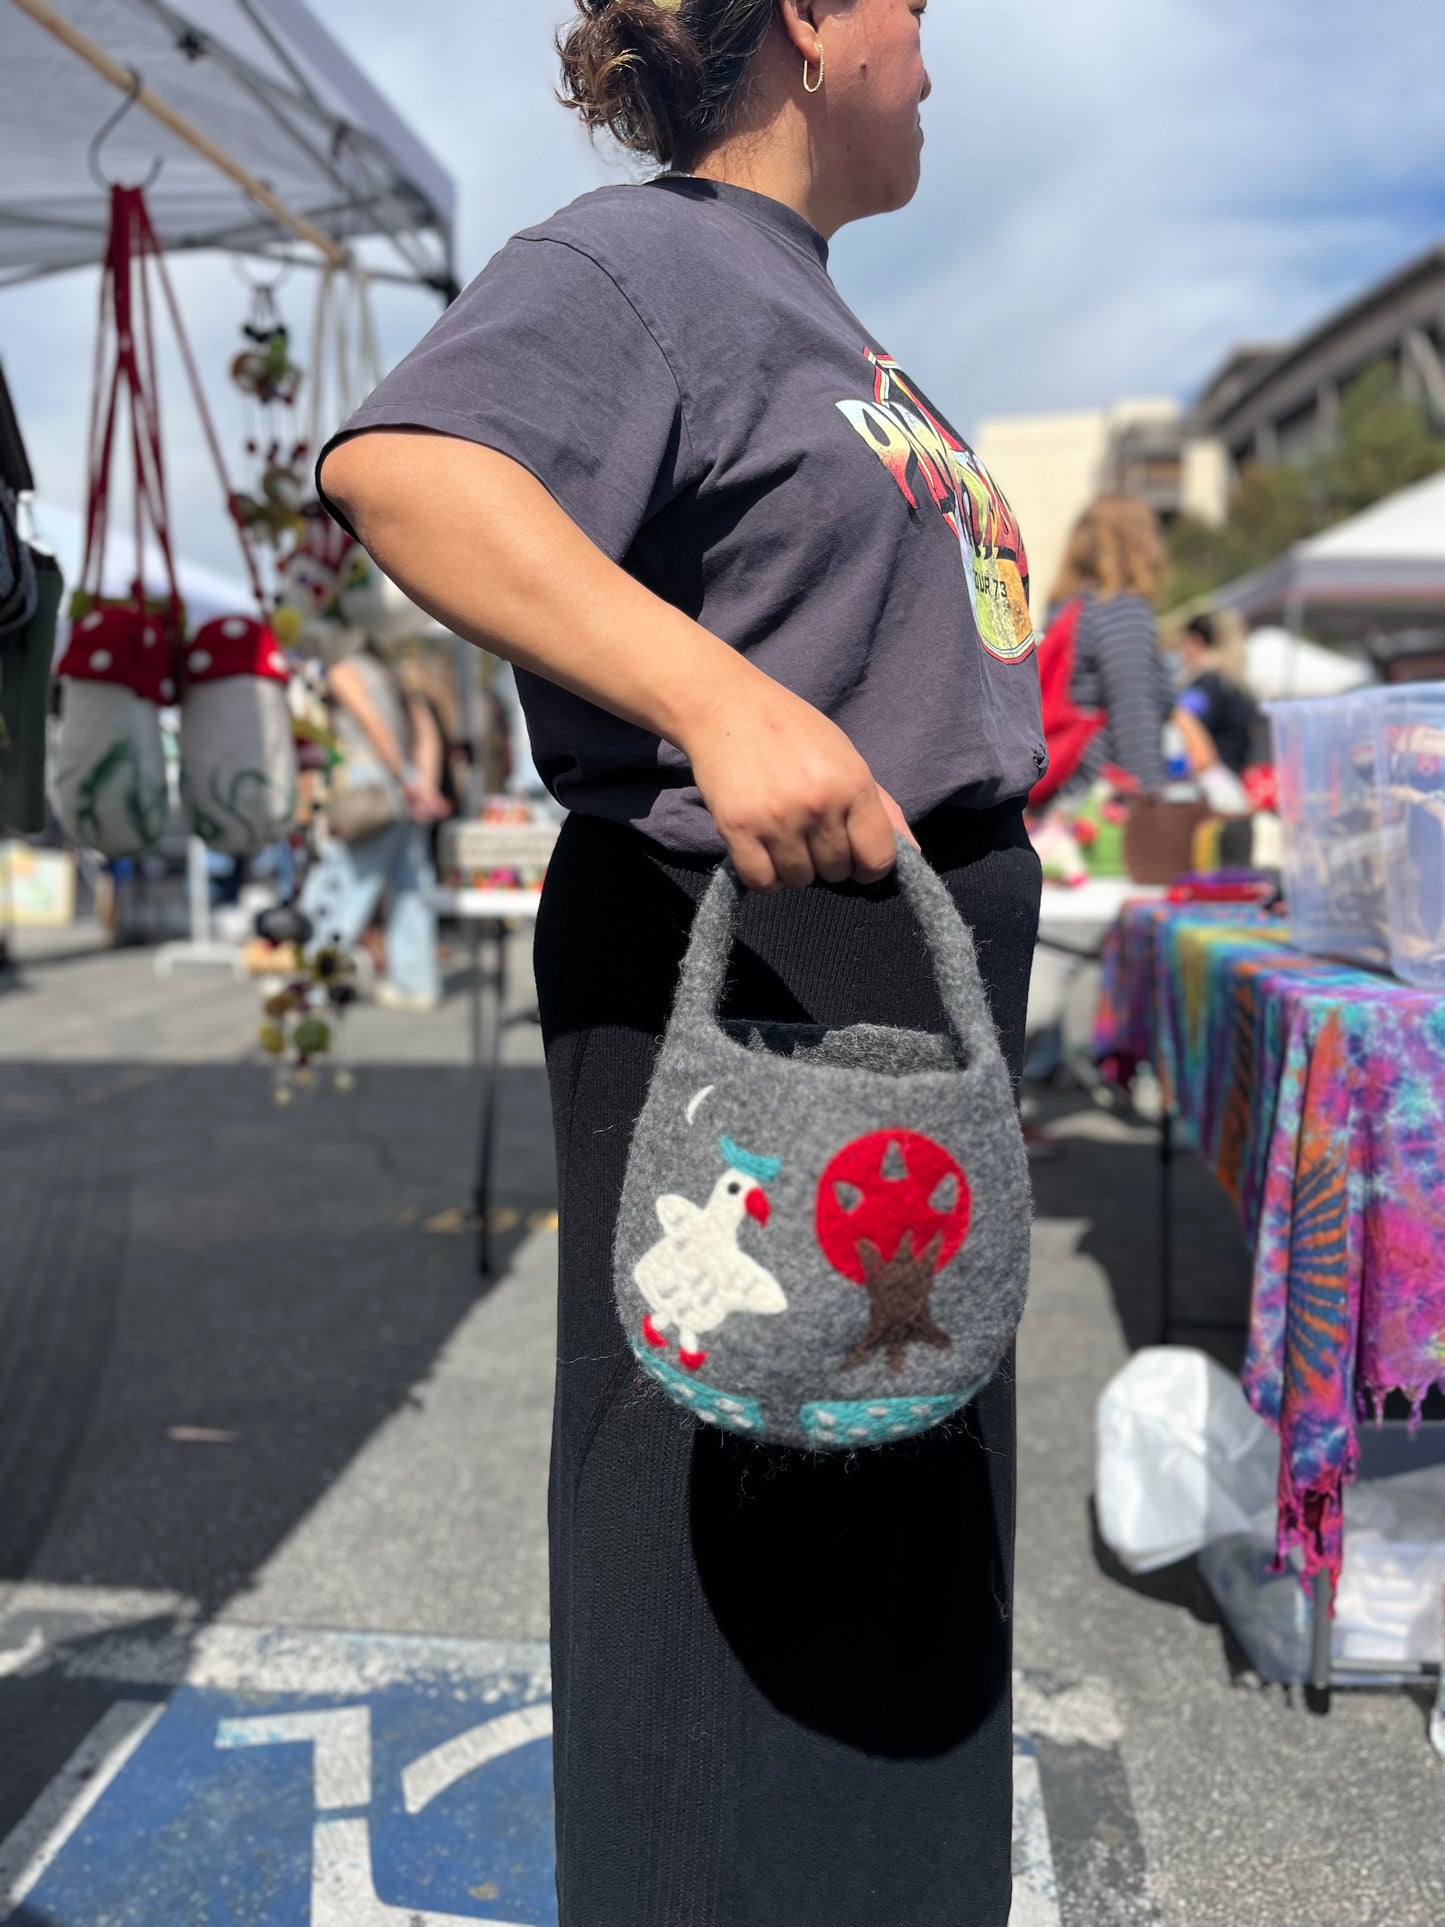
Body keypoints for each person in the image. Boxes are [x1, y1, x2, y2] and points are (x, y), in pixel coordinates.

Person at [317, 3, 1044, 1921]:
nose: (941, 54)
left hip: (895, 996)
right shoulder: (641, 257)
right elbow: (409, 469)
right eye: (915, 11)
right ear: (812, 23)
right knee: (731, 1537)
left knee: (891, 1523)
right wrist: (716, 699)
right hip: (761, 979)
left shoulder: (809, 307)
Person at [301, 639, 450, 1010]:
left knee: (345, 882)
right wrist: (423, 785)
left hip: (373, 782)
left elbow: (373, 726)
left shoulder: (344, 670)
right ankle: (417, 983)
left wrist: (403, 781)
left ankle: (314, 978)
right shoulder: (395, 674)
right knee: (412, 885)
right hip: (406, 783)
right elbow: (425, 732)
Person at [1050, 494, 1176, 791]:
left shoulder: (1063, 610)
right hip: (1102, 807)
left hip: (1059, 790)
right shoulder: (1123, 612)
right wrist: (1149, 807)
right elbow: (1134, 717)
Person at [1176, 610, 1259, 775]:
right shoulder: (1236, 686)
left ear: (1197, 640)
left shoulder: (1206, 685)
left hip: (1209, 786)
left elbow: (1183, 741)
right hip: (1232, 782)